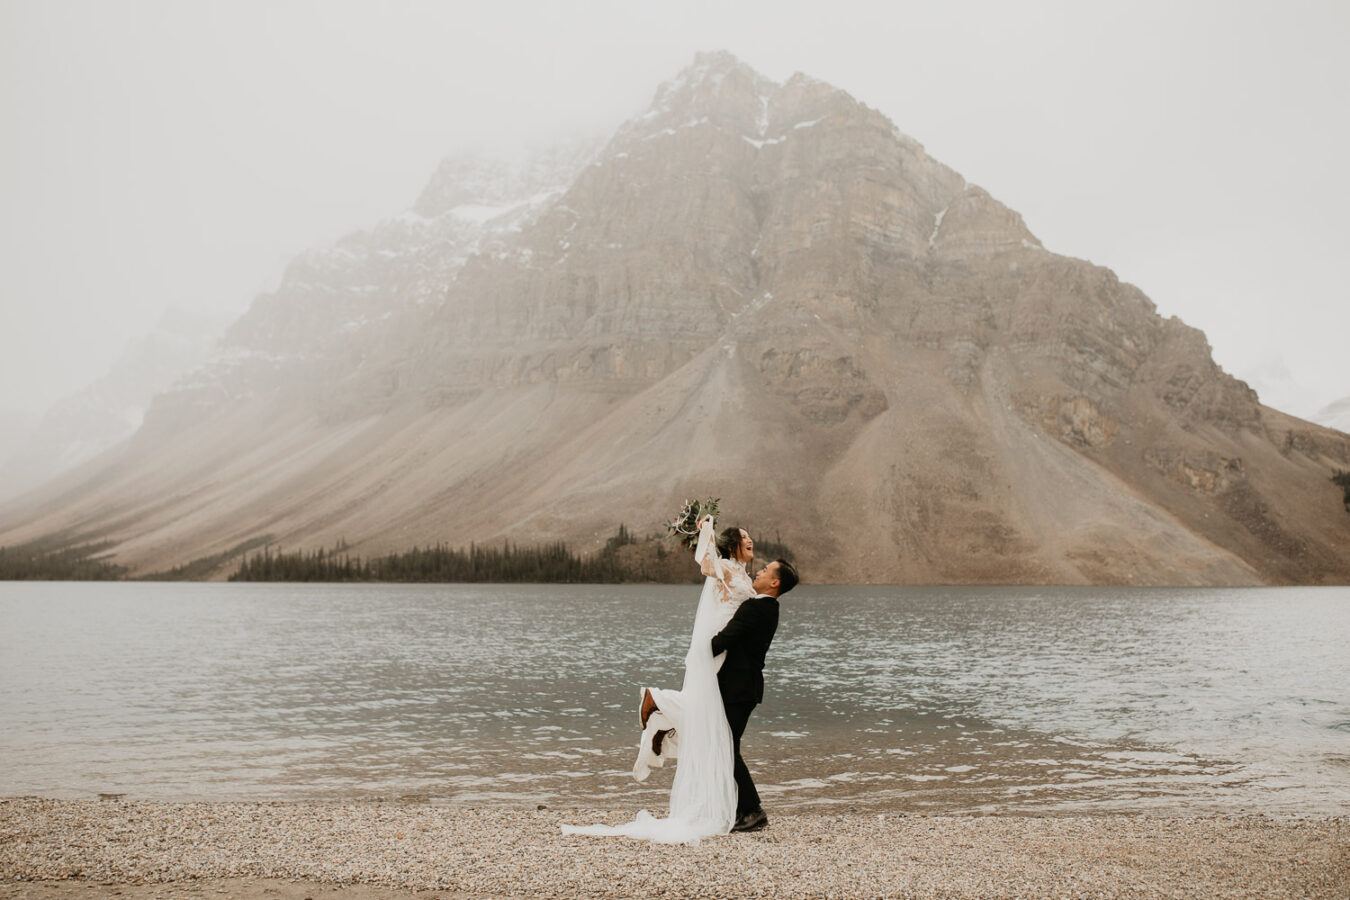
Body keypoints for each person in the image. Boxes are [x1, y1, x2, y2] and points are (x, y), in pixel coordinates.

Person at [561, 515, 757, 843]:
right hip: (716, 647)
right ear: (734, 544)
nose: (752, 540)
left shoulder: (741, 572)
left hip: (726, 649)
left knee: (708, 714)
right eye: (746, 536)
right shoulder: (727, 568)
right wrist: (705, 529)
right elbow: (707, 564)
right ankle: (658, 700)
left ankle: (663, 725)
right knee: (706, 710)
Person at [710, 556, 798, 832]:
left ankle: (753, 810)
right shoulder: (768, 607)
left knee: (727, 748)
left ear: (775, 582)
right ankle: (742, 810)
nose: (757, 572)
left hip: (738, 689)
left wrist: (702, 646)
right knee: (727, 748)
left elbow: (723, 641)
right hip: (744, 688)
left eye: (764, 571)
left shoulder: (755, 609)